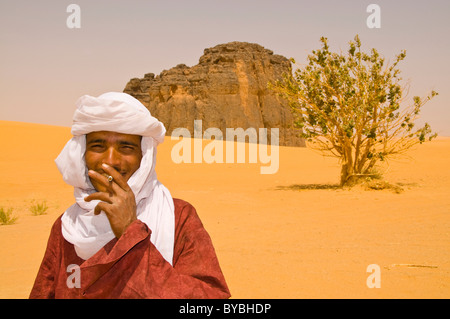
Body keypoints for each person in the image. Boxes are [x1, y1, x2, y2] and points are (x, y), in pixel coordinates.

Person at [29, 92, 230, 299]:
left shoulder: (178, 217)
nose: (110, 161)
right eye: (97, 146)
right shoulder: (66, 226)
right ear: (82, 154)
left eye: (126, 147)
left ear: (144, 157)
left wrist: (130, 233)